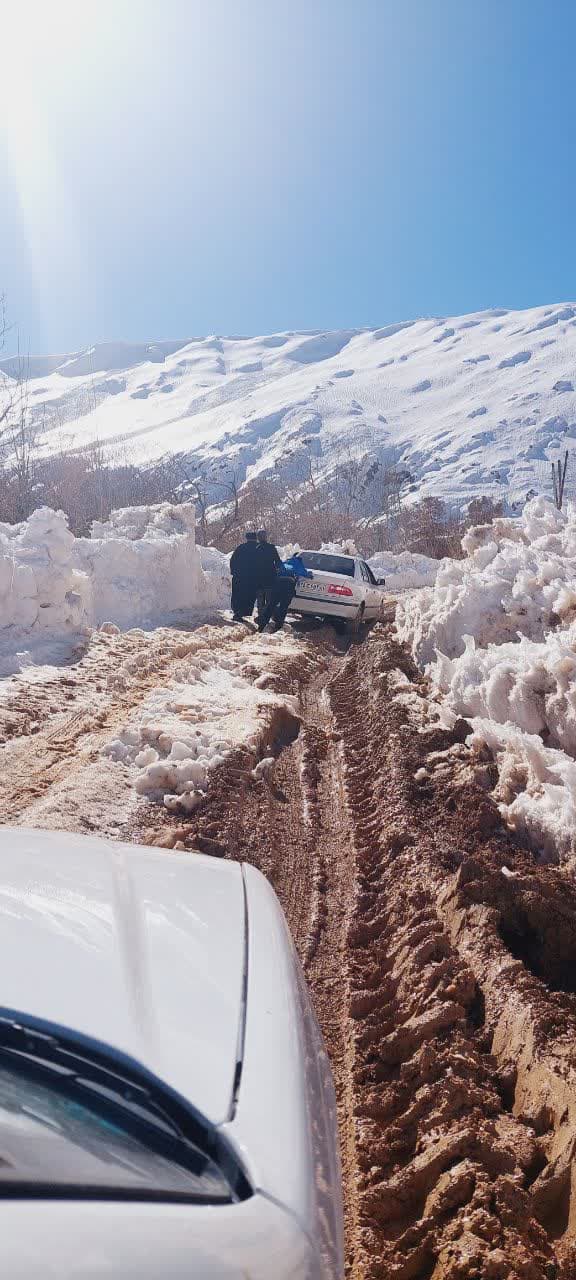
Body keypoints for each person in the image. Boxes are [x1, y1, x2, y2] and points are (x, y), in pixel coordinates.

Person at [257, 551, 313, 632]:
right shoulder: (298, 563)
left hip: (278, 583)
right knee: (284, 605)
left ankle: (262, 624)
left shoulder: (285, 562)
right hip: (289, 583)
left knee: (272, 604)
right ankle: (278, 625)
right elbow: (304, 573)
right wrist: (309, 574)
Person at [254, 529, 282, 625]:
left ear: (258, 538)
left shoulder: (256, 549)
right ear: (266, 537)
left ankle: (261, 618)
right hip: (270, 578)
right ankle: (268, 617)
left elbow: (252, 565)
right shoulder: (272, 548)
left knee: (260, 600)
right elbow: (278, 562)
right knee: (270, 600)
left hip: (258, 579)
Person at [229, 531, 259, 621]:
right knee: (250, 596)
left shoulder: (241, 548)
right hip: (253, 578)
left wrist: (234, 572)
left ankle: (237, 612)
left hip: (239, 576)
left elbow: (233, 560)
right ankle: (245, 612)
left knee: (238, 594)